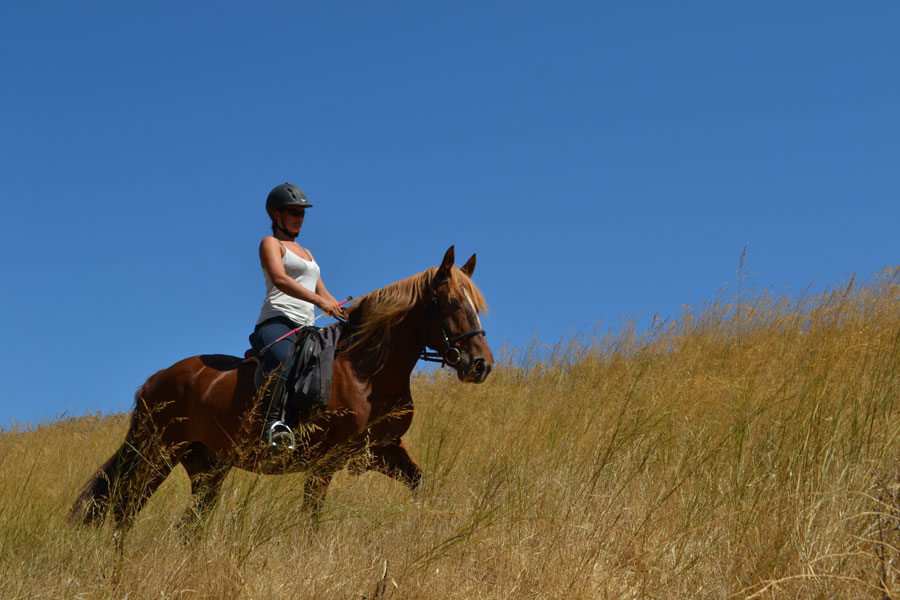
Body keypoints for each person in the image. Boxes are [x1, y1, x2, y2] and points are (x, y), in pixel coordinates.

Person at [249, 182, 344, 448]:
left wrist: (342, 309)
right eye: (293, 212)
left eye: (302, 213)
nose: (299, 218)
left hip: (307, 326)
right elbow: (280, 279)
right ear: (276, 215)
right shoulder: (270, 243)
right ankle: (272, 426)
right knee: (282, 358)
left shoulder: (309, 253)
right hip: (278, 320)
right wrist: (317, 300)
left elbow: (323, 293)